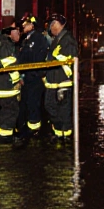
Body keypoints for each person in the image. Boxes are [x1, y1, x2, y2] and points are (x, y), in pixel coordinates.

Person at [42, 13, 78, 142]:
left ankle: (66, 136)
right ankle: (59, 133)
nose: (51, 27)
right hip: (53, 82)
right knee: (50, 106)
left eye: (53, 24)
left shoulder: (67, 40)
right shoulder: (57, 40)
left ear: (60, 24)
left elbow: (71, 61)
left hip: (63, 82)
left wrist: (58, 57)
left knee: (63, 110)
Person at [15, 13, 50, 140]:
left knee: (33, 105)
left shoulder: (38, 39)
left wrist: (34, 74)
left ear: (32, 25)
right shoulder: (27, 40)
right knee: (27, 105)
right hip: (28, 78)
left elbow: (37, 58)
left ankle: (35, 132)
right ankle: (28, 130)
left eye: (25, 24)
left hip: (34, 79)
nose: (23, 26)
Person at [0, 24, 24, 144]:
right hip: (6, 85)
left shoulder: (1, 42)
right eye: (17, 31)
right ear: (9, 32)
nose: (19, 34)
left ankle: (2, 135)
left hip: (1, 83)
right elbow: (9, 65)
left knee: (5, 111)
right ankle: (4, 138)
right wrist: (16, 81)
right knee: (10, 110)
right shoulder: (6, 44)